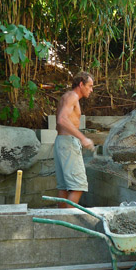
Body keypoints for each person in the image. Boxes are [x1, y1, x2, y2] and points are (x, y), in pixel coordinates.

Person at [54, 72, 94, 208]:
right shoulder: (72, 96)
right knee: (78, 186)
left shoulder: (65, 97)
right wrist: (83, 138)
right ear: (81, 84)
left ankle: (61, 222)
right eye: (90, 86)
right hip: (68, 142)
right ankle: (68, 222)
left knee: (64, 187)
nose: (91, 89)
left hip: (60, 141)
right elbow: (62, 119)